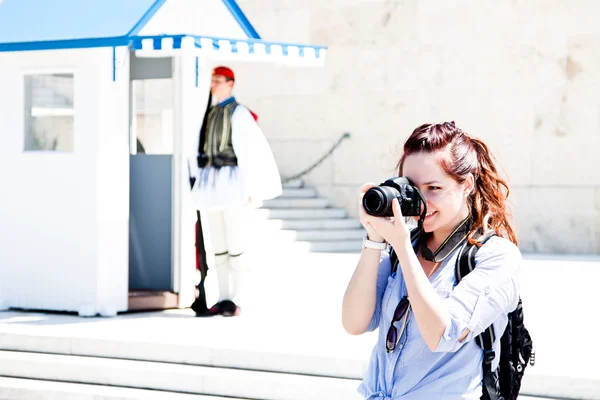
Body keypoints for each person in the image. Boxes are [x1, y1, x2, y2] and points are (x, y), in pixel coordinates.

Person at [342, 122, 521, 399]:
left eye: (434, 188)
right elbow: (355, 323)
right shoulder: (406, 247)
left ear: (467, 184)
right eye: (412, 188)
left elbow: (442, 334)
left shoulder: (496, 256)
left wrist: (400, 244)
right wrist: (374, 239)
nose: (421, 201)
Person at [190, 66, 282, 317]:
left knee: (235, 243)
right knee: (217, 243)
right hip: (212, 184)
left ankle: (237, 297)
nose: (213, 85)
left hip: (232, 183)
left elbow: (249, 151)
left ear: (230, 83)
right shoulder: (210, 113)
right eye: (213, 80)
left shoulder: (238, 113)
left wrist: (251, 187)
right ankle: (223, 296)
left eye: (218, 81)